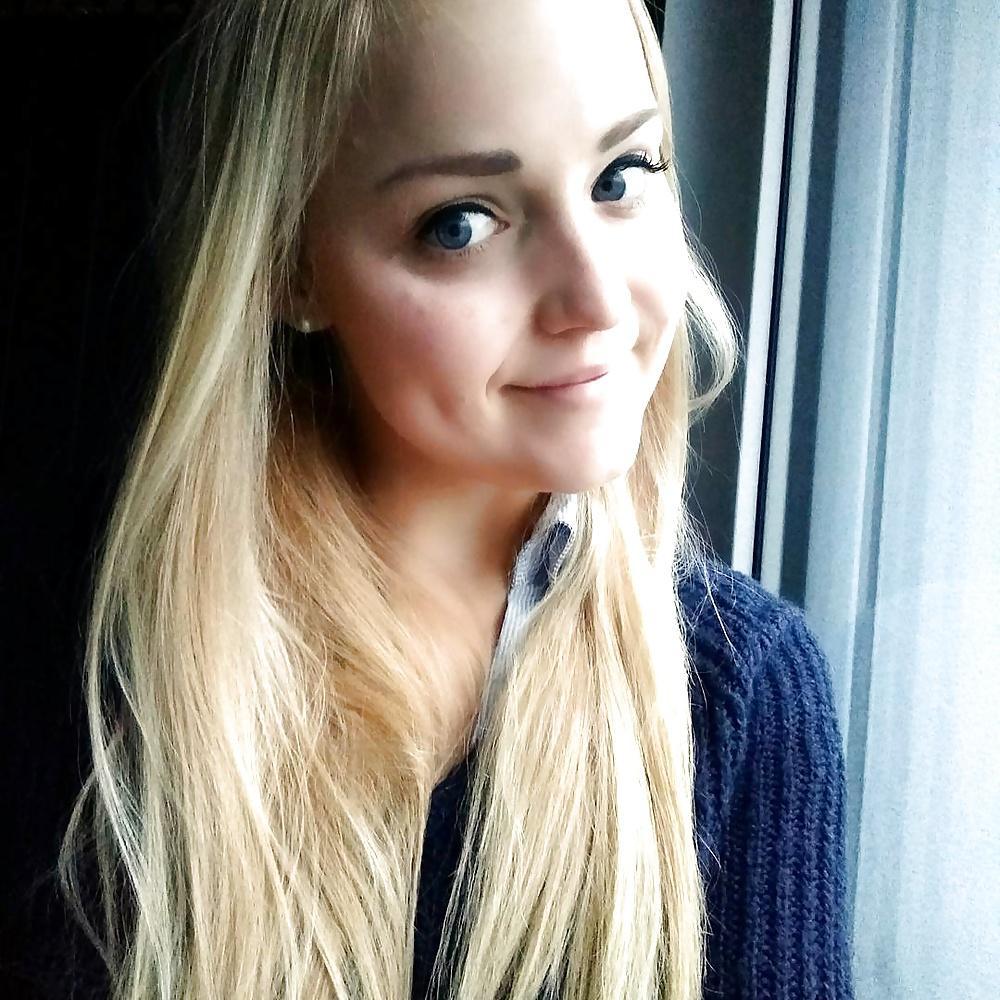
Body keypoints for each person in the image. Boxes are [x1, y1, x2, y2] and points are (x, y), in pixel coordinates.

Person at [55, 0, 855, 997]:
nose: (596, 300)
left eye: (620, 177)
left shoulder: (741, 690)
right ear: (291, 265)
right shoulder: (110, 660)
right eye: (461, 224)